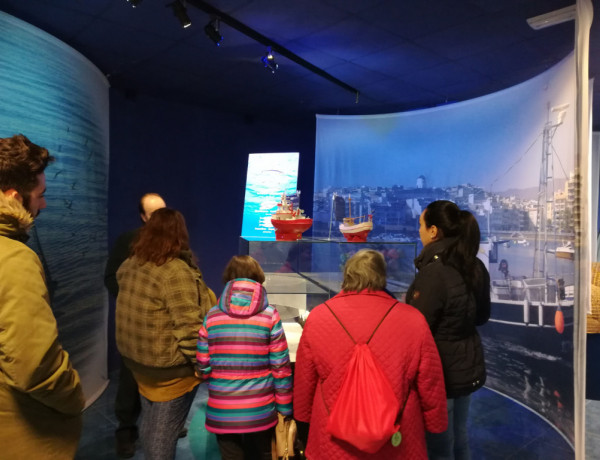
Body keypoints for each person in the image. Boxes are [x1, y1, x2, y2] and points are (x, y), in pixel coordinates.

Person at [293, 249, 447, 459]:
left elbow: (305, 379)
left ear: (346, 275)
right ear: (382, 276)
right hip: (398, 436)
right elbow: (430, 380)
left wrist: (302, 418)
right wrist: (435, 423)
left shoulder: (319, 317)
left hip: (333, 436)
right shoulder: (413, 319)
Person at [0, 134, 85, 458]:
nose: (44, 204)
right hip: (20, 438)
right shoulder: (13, 258)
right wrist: (75, 396)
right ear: (13, 196)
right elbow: (35, 365)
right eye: (40, 195)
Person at [116, 208, 214, 460]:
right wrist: (205, 368)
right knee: (161, 441)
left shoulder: (129, 264)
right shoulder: (175, 272)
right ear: (180, 234)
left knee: (150, 429)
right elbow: (190, 331)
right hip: (169, 375)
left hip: (138, 366)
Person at [406, 200, 491, 460]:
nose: (418, 230)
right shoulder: (475, 265)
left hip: (439, 372)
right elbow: (481, 317)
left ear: (433, 231)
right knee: (459, 438)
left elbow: (416, 328)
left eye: (421, 225)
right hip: (466, 365)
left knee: (439, 447)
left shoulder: (433, 272)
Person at [196, 255, 293, 460]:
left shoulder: (212, 316)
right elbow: (280, 367)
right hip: (260, 410)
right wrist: (284, 408)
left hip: (222, 408)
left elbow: (203, 366)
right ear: (258, 277)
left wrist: (208, 374)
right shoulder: (270, 316)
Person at [104, 192, 166, 458]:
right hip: (136, 325)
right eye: (154, 214)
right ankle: (126, 432)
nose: (160, 219)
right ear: (143, 217)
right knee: (130, 380)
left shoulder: (173, 242)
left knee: (163, 378)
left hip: (163, 325)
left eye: (163, 212)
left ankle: (164, 426)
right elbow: (110, 277)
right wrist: (135, 301)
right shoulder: (128, 241)